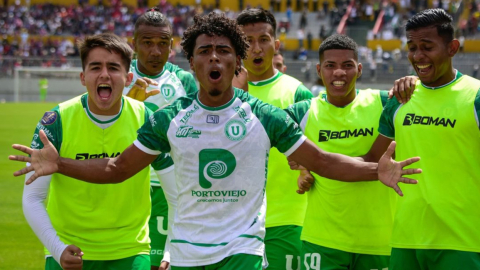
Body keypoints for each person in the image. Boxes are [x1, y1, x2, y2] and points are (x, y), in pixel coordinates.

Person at [11, 12, 421, 270]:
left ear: (236, 61)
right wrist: (59, 164)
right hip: (188, 255)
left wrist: (374, 169)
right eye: (204, 51)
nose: (213, 58)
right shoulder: (168, 119)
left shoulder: (263, 115)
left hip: (243, 250)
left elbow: (323, 160)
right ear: (191, 62)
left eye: (223, 51)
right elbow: (117, 169)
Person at [21, 33, 152, 270]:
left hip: (130, 250)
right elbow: (32, 197)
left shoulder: (147, 118)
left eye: (113, 67)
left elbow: (177, 191)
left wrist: (171, 251)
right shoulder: (55, 121)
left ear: (128, 77)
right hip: (67, 251)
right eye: (95, 67)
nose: (104, 74)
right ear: (83, 77)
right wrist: (57, 248)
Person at [361, 9, 480, 269]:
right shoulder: (400, 99)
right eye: (412, 47)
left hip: (464, 242)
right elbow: (371, 159)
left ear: (452, 48)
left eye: (427, 47)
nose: (418, 57)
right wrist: (306, 163)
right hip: (406, 240)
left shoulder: (475, 96)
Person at [287, 34, 395, 270]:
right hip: (322, 241)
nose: (339, 72)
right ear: (318, 70)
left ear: (359, 69)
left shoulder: (384, 103)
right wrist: (301, 164)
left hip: (378, 241)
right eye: (330, 66)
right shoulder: (303, 112)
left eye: (347, 65)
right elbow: (263, 132)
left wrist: (410, 81)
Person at [236, 8, 312, 270]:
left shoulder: (297, 92)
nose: (256, 49)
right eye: (247, 42)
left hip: (287, 219)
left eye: (264, 40)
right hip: (235, 223)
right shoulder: (222, 94)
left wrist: (307, 168)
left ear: (276, 44)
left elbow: (317, 148)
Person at [123, 8, 198, 270]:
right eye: (147, 43)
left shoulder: (185, 82)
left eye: (162, 44)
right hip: (127, 184)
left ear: (171, 46)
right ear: (133, 45)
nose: (155, 51)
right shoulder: (118, 76)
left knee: (162, 265)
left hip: (171, 189)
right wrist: (128, 106)